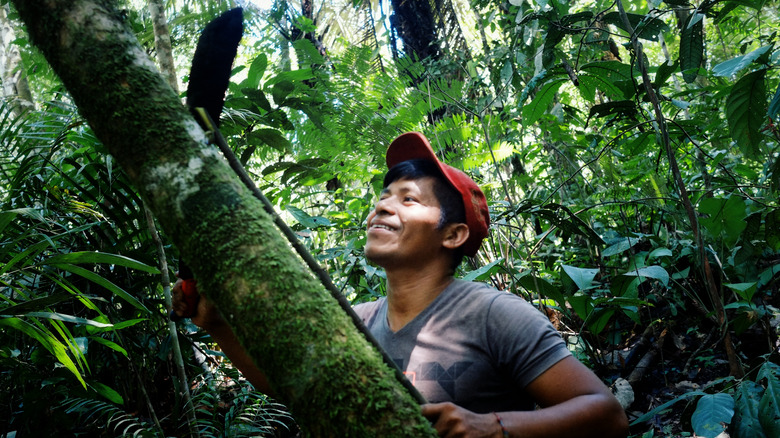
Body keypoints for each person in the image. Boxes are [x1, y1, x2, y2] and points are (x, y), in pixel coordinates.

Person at [173, 132, 629, 437]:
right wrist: (217, 326)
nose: (383, 208)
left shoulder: (495, 314)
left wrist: (494, 427)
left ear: (453, 235)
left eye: (408, 200)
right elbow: (290, 384)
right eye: (384, 198)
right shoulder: (359, 319)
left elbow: (607, 414)